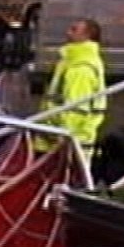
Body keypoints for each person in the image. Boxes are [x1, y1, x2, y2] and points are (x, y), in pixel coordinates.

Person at [39, 17, 107, 164]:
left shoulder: (81, 68)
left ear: (87, 36)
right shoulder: (73, 61)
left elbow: (76, 110)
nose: (67, 33)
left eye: (74, 30)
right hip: (58, 141)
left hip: (65, 145)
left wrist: (63, 138)